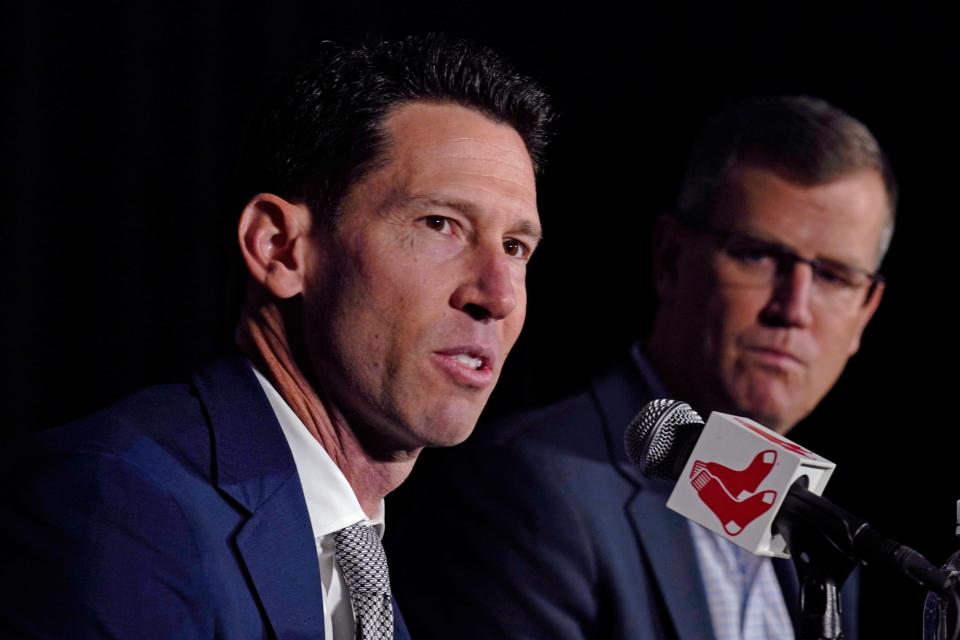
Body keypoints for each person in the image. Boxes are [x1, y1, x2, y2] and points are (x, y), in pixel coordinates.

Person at [0, 35, 550, 639]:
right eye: (440, 224)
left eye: (516, 247)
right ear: (280, 248)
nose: (496, 296)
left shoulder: (359, 563)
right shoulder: (118, 504)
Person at [388, 96, 894, 640]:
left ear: (866, 312)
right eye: (757, 255)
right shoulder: (530, 490)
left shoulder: (822, 539)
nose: (792, 310)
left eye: (835, 277)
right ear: (671, 259)